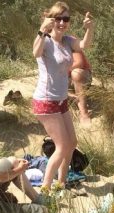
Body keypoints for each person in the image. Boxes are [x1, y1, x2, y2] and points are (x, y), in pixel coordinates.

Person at [33, 1, 82, 193]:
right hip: (46, 101)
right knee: (61, 147)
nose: (62, 23)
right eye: (58, 19)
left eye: (66, 19)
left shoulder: (67, 41)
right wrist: (41, 30)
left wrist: (89, 28)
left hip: (61, 100)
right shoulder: (45, 40)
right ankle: (45, 189)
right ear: (51, 19)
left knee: (72, 143)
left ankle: (61, 183)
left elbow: (84, 45)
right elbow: (35, 53)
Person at [68, 12, 95, 126]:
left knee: (76, 73)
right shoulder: (48, 43)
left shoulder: (68, 40)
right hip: (65, 79)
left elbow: (79, 62)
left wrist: (89, 29)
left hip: (82, 76)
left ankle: (83, 112)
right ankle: (73, 97)